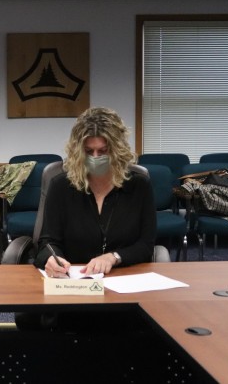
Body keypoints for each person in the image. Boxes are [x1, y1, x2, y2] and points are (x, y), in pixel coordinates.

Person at [17, 107, 156, 331]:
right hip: (74, 291)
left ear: (117, 150)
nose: (95, 158)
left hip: (122, 287)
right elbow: (47, 241)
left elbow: (146, 245)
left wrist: (114, 257)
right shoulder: (62, 185)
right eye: (88, 151)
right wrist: (53, 259)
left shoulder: (138, 185)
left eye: (103, 151)